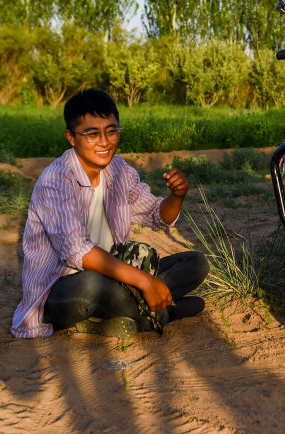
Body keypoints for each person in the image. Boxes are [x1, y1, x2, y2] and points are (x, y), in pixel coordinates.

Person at [11, 89, 210, 339]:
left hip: (115, 276)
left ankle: (128, 315)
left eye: (111, 131)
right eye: (92, 134)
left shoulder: (118, 170)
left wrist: (177, 196)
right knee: (90, 287)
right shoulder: (56, 179)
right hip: (64, 289)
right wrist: (146, 282)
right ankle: (159, 313)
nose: (104, 142)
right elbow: (78, 252)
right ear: (71, 137)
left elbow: (156, 215)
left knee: (195, 263)